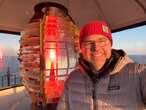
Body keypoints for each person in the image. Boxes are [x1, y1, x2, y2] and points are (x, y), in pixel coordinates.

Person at [57, 21, 146, 110]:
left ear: (110, 44)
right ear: (81, 48)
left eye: (102, 41)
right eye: (89, 43)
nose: (96, 48)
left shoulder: (137, 74)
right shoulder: (72, 79)